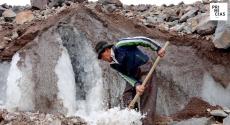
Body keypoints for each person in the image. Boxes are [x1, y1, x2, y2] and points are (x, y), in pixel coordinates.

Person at [95, 36, 165, 125]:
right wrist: (136, 85)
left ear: (106, 50)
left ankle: (147, 122)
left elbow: (141, 40)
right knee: (127, 96)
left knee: (146, 94)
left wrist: (157, 48)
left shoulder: (121, 45)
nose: (102, 59)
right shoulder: (113, 65)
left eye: (101, 56)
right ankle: (132, 121)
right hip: (133, 76)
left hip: (145, 68)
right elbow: (124, 75)